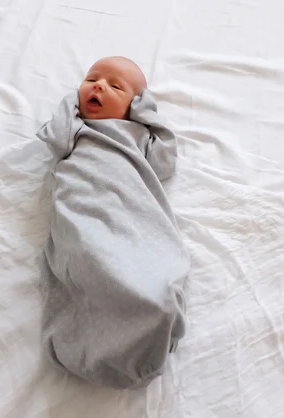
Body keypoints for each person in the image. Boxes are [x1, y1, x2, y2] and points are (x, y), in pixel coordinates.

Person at [37, 56, 190, 389]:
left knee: (156, 285)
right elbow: (53, 137)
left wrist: (145, 114)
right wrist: (72, 102)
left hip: (134, 217)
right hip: (85, 213)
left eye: (114, 85)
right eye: (91, 79)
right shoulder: (76, 129)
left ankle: (150, 325)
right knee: (91, 260)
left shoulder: (137, 133)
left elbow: (164, 165)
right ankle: (88, 340)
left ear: (134, 104)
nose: (98, 86)